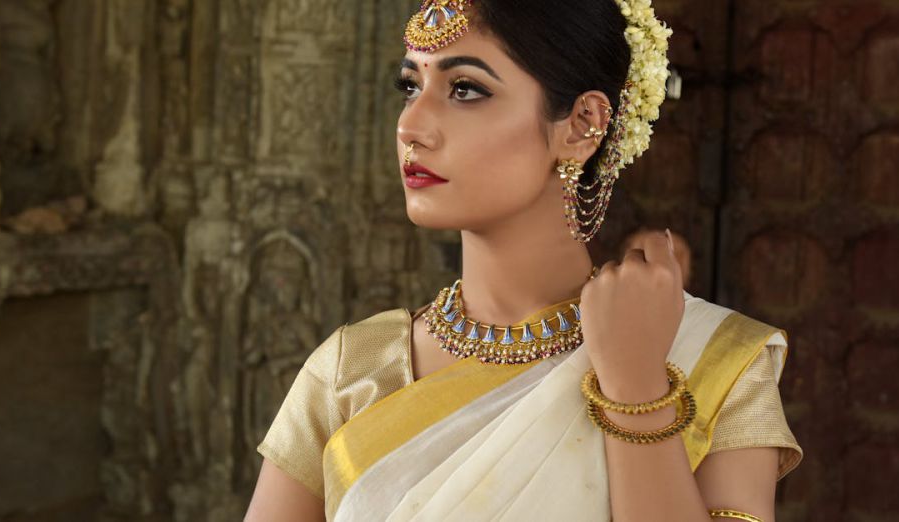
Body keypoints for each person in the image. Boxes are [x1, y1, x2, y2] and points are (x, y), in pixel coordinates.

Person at [246, 1, 802, 520]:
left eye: (464, 89)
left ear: (583, 123)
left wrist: (636, 387)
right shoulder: (351, 373)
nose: (410, 126)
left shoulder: (717, 363)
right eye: (410, 86)